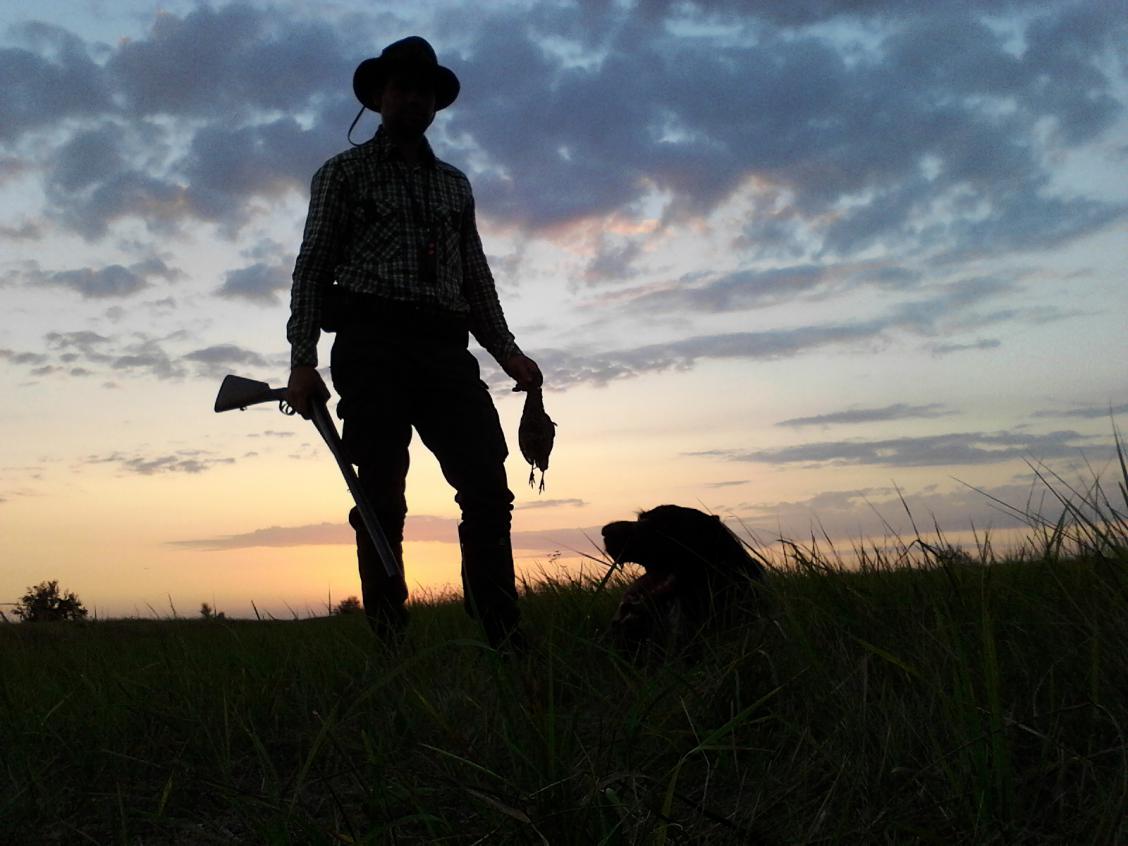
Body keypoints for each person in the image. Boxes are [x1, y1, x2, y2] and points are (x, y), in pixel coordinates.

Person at [285, 36, 542, 649]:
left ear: (435, 104)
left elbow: (474, 276)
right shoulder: (341, 174)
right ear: (379, 97)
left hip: (445, 351)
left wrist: (508, 351)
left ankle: (501, 632)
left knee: (487, 486)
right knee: (379, 496)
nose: (413, 100)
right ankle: (390, 640)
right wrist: (302, 361)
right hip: (370, 347)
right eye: (401, 88)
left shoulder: (455, 185)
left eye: (424, 91)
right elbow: (312, 268)